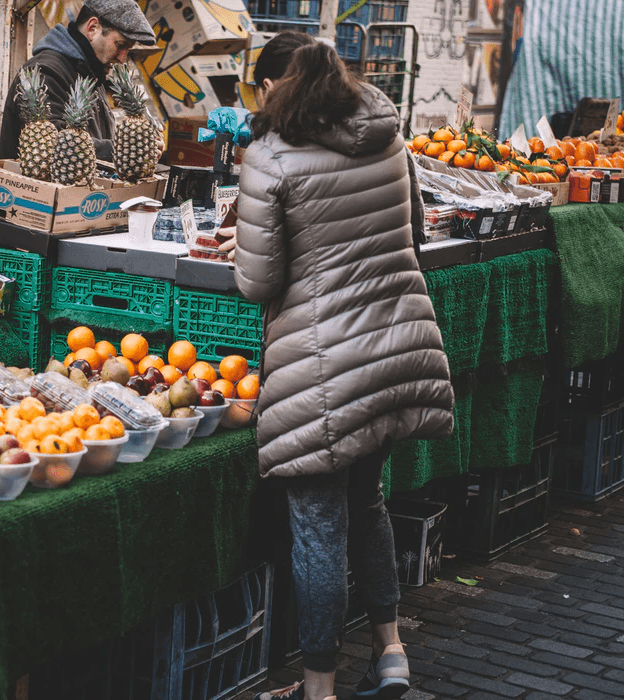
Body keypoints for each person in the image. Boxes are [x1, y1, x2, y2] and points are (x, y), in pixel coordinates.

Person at [226, 33, 455, 700]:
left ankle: (319, 689)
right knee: (368, 502)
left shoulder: (269, 155)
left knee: (319, 527)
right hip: (393, 351)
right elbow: (414, 228)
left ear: (272, 88)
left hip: (325, 368)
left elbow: (258, 281)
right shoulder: (387, 133)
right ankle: (391, 653)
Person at [0, 0, 156, 163]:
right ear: (92, 28)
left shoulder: (91, 72)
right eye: (120, 45)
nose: (122, 58)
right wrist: (128, 150)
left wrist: (139, 146)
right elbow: (54, 146)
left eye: (128, 50)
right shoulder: (46, 71)